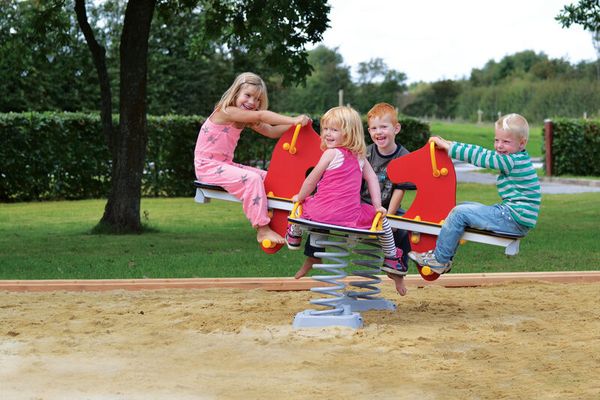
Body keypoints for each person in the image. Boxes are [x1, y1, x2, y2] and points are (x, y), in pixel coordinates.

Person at [285, 106, 408, 295]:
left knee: (300, 206)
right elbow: (372, 179)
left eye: (334, 130)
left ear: (349, 133)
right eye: (325, 129)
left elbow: (312, 179)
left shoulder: (330, 154)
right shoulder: (360, 156)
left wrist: (300, 197)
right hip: (350, 217)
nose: (327, 133)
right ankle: (391, 256)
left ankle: (294, 235)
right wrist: (377, 206)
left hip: (321, 213)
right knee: (383, 221)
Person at [408, 113, 541, 273]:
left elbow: (481, 157)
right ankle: (446, 257)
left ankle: (439, 259)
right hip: (513, 216)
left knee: (459, 213)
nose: (499, 145)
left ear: (522, 143)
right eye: (497, 140)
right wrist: (450, 144)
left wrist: (450, 148)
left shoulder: (510, 161)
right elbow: (482, 151)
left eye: (506, 142)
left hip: (512, 219)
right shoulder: (518, 158)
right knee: (463, 207)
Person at [194, 72, 310, 245]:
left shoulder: (244, 117)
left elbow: (270, 131)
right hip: (207, 167)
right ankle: (262, 230)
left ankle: (276, 214)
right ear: (236, 93)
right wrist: (293, 119)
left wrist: (297, 127)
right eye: (247, 96)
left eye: (257, 99)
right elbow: (261, 116)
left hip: (224, 165)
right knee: (252, 179)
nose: (251, 102)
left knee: (269, 177)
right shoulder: (226, 111)